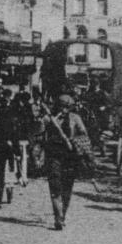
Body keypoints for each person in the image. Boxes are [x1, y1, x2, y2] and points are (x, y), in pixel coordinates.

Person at [40, 93, 92, 231]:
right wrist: (46, 122)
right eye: (61, 107)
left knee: (67, 188)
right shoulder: (49, 118)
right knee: (55, 186)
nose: (64, 110)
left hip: (70, 157)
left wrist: (73, 141)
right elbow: (39, 132)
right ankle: (58, 217)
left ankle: (63, 214)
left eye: (67, 107)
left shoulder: (75, 118)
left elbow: (84, 135)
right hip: (53, 156)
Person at [8, 89, 38, 187]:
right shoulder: (17, 108)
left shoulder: (24, 108)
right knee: (20, 157)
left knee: (22, 157)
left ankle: (22, 175)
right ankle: (21, 175)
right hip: (18, 136)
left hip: (22, 136)